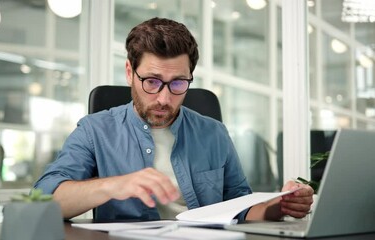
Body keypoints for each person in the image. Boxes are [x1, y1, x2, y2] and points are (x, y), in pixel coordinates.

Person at [34, 17, 313, 222]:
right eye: (152, 81)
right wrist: (113, 184)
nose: (165, 98)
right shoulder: (94, 130)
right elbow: (42, 203)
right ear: (130, 72)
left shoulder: (214, 133)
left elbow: (240, 208)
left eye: (178, 83)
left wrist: (280, 205)